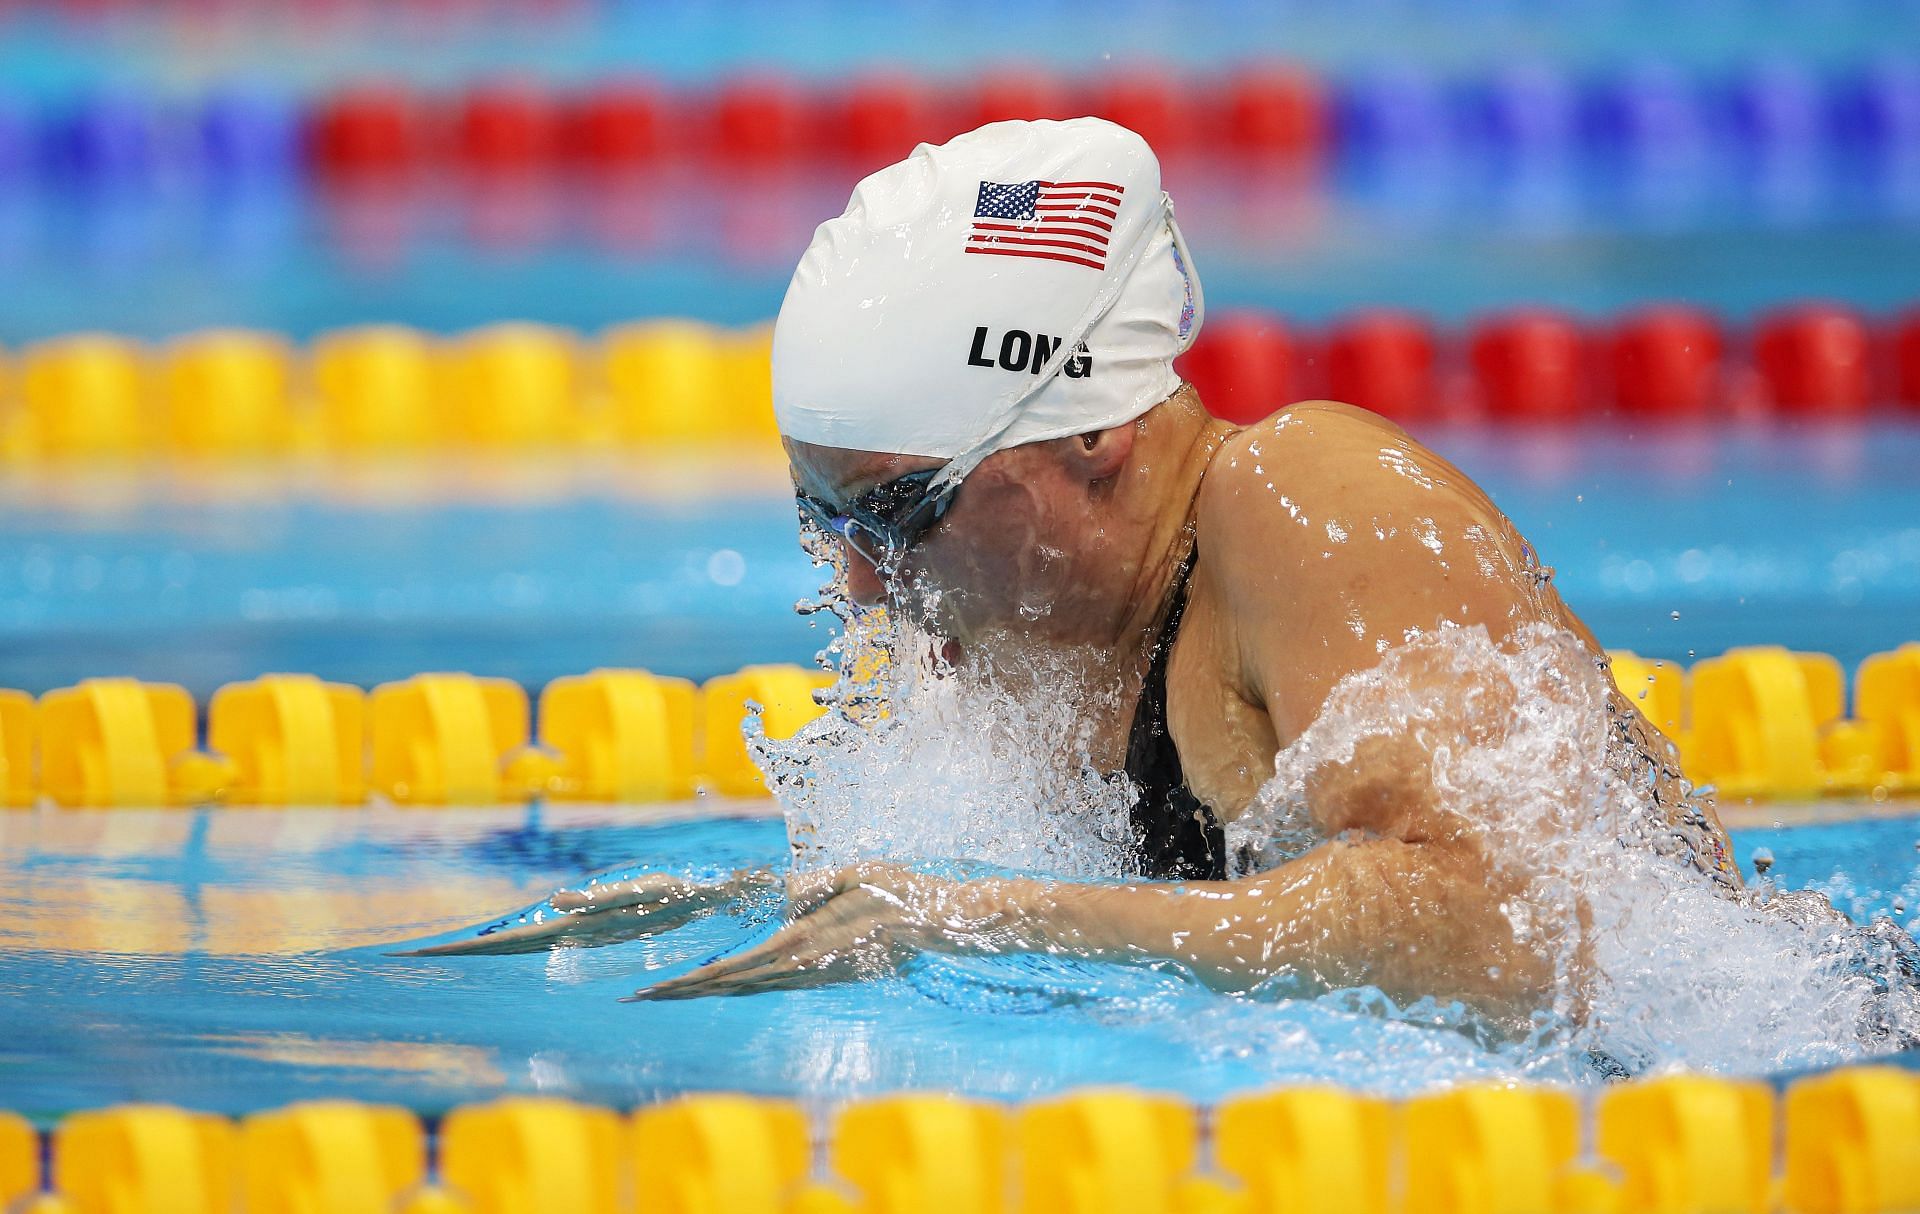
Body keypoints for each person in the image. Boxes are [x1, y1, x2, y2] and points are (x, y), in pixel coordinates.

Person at [413, 118, 1739, 1024]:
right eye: (826, 519)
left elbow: (1503, 932)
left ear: (1092, 430)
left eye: (900, 511)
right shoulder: (1047, 642)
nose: (866, 587)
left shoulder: (1305, 497)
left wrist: (979, 915)